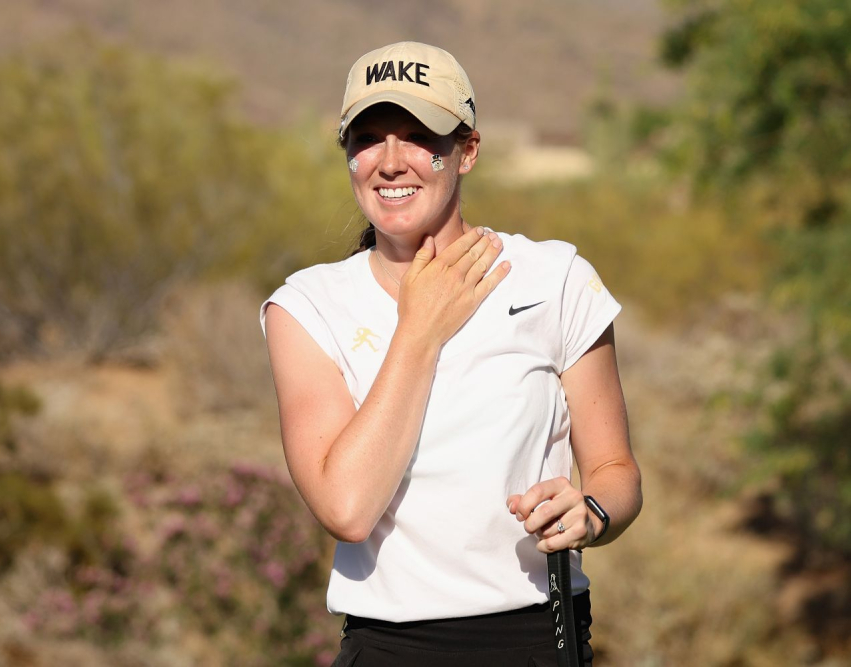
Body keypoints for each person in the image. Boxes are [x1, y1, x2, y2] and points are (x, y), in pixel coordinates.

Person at [260, 41, 641, 667]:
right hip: (388, 647)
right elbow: (347, 509)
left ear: (466, 151)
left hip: (538, 640)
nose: (389, 162)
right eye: (367, 138)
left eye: (418, 136)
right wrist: (420, 329)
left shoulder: (556, 278)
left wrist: (591, 513)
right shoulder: (306, 307)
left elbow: (617, 472)